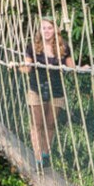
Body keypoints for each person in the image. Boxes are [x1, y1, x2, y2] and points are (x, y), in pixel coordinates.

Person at [24, 18, 72, 169]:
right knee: (37, 124)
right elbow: (27, 67)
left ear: (55, 30)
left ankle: (45, 152)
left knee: (50, 124)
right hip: (36, 89)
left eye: (49, 28)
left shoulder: (63, 48)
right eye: (43, 28)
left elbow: (72, 68)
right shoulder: (32, 47)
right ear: (40, 30)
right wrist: (16, 66)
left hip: (56, 90)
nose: (46, 31)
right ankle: (38, 157)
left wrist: (84, 68)